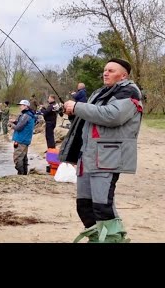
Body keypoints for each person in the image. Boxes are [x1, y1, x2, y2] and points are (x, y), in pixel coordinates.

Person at [60, 58, 143, 243]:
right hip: (87, 157)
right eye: (105, 70)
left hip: (108, 157)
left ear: (123, 75)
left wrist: (78, 106)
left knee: (102, 206)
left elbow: (113, 115)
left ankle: (113, 240)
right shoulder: (100, 93)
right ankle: (97, 239)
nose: (106, 73)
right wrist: (75, 113)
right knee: (84, 206)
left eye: (111, 70)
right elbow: (89, 121)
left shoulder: (129, 91)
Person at [9, 99, 35, 175]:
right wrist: (15, 122)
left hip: (21, 140)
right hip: (25, 139)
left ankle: (21, 174)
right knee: (23, 158)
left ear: (26, 106)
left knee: (17, 158)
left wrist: (11, 125)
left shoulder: (25, 115)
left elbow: (18, 128)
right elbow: (23, 124)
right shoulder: (29, 114)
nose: (20, 107)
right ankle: (24, 174)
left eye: (21, 105)